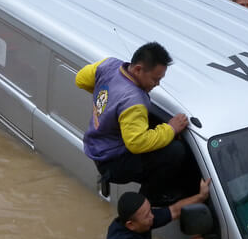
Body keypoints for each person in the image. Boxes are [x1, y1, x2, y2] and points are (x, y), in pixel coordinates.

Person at [75, 42, 198, 203]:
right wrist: (171, 128)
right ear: (138, 69)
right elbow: (137, 143)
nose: (157, 84)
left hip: (96, 147)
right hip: (114, 162)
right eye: (155, 79)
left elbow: (81, 79)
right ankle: (148, 201)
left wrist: (108, 100)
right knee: (175, 150)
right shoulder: (134, 101)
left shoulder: (109, 65)